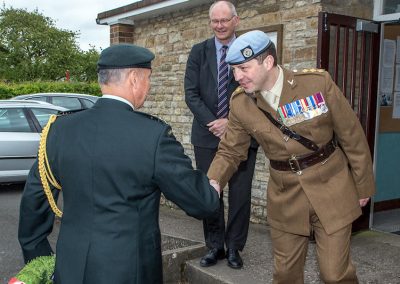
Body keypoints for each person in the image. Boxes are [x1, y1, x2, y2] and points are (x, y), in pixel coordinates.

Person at [18, 43, 221, 284]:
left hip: (70, 268)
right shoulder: (153, 136)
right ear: (134, 78)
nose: (149, 86)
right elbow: (200, 202)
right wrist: (211, 192)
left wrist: (40, 260)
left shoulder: (58, 130)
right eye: (148, 79)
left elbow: (33, 203)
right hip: (129, 271)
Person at [207, 30, 376, 283]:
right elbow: (231, 150)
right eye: (233, 70)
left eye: (243, 68)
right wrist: (214, 180)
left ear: (268, 62)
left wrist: (363, 184)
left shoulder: (316, 84)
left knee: (335, 275)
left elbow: (351, 134)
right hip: (286, 196)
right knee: (286, 275)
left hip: (332, 187)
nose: (237, 77)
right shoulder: (241, 103)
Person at [184, 0, 258, 269]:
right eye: (214, 21)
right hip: (206, 136)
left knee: (240, 194)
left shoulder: (251, 51)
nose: (219, 25)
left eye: (224, 20)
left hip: (243, 135)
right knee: (210, 192)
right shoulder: (198, 52)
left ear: (235, 21)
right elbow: (191, 94)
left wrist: (231, 122)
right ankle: (215, 246)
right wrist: (214, 122)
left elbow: (258, 92)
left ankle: (235, 248)